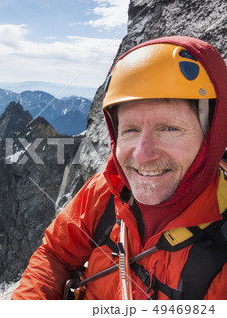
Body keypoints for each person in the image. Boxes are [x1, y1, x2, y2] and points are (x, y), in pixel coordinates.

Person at [12, 36, 227, 300]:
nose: (143, 155)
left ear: (211, 136)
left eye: (170, 128)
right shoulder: (108, 189)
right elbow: (55, 254)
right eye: (131, 130)